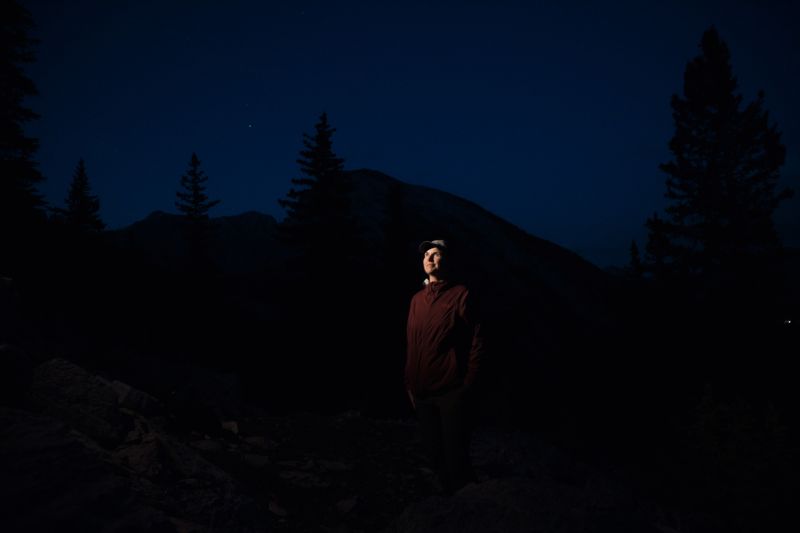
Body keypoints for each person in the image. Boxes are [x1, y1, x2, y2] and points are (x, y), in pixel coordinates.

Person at [405, 239, 485, 495]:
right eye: (426, 254)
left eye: (435, 254)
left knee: (456, 456)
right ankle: (449, 504)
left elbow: (478, 338)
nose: (429, 258)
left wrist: (469, 383)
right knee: (433, 454)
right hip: (422, 392)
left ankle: (471, 508)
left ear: (446, 260)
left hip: (450, 390)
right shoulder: (417, 300)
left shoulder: (460, 294)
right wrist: (409, 383)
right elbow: (412, 343)